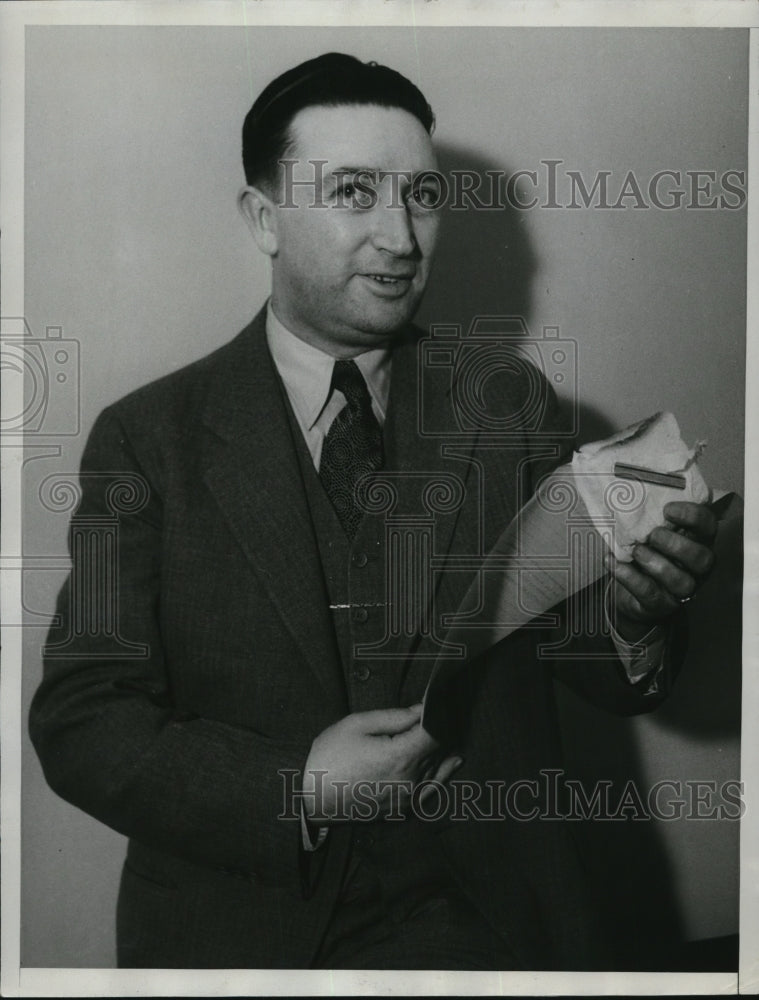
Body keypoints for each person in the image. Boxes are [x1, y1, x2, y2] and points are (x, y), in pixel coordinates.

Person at [29, 52, 717, 970]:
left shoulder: (506, 403)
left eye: (421, 196)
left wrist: (630, 616)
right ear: (262, 219)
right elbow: (83, 720)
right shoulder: (147, 439)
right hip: (243, 941)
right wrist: (300, 789)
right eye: (354, 191)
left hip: (495, 927)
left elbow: (573, 652)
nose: (400, 236)